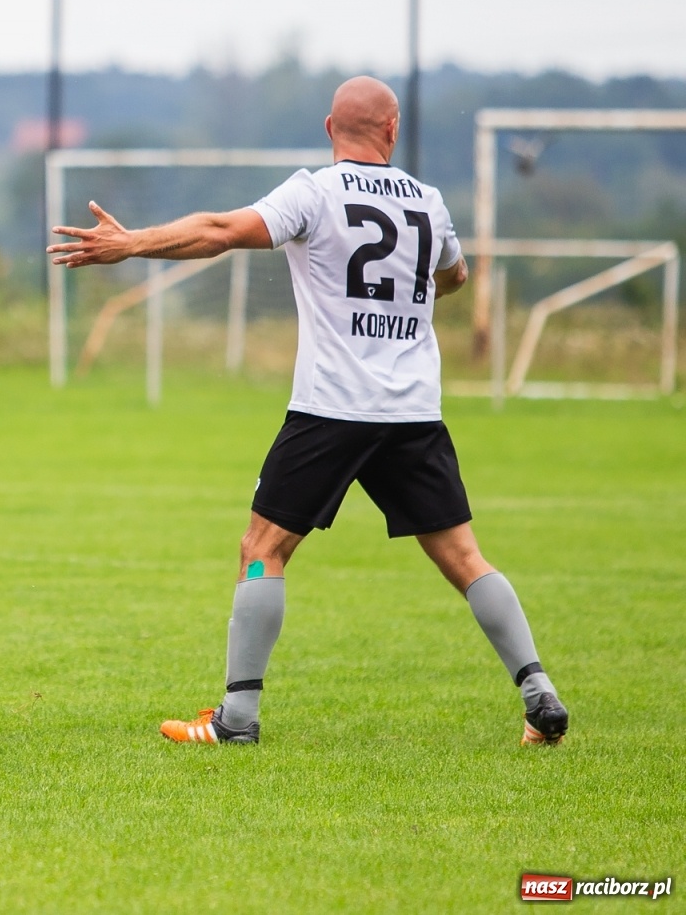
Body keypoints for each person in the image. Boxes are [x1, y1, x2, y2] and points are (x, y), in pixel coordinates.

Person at [48, 76, 569, 748]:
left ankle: (237, 719)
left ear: (330, 129)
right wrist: (411, 300)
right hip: (412, 409)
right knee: (464, 555)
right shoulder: (428, 201)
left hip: (332, 407)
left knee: (263, 550)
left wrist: (133, 243)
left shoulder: (315, 192)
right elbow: (455, 277)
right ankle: (539, 694)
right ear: (393, 130)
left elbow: (221, 230)